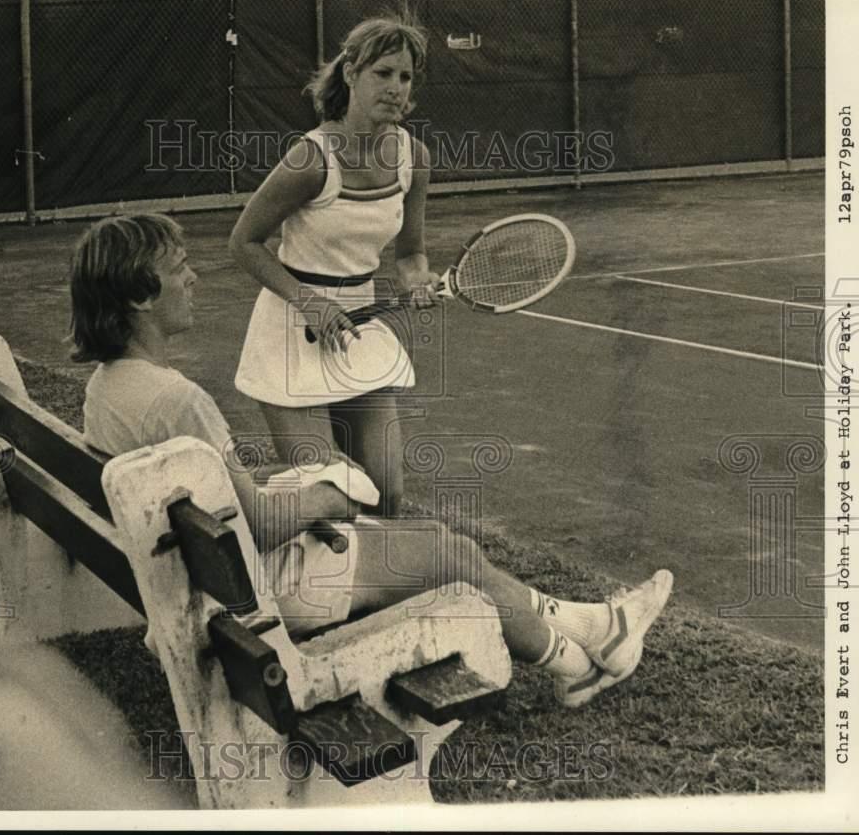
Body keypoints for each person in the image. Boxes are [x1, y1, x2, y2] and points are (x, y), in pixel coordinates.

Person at [69, 213, 674, 709]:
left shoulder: (107, 388)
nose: (194, 278)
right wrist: (330, 498)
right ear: (141, 297)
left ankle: (593, 632)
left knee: (407, 535)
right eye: (179, 271)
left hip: (196, 587)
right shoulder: (179, 401)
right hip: (262, 596)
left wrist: (305, 488)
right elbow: (257, 526)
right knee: (447, 552)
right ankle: (581, 661)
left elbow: (223, 512)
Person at [230, 10, 441, 517]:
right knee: (332, 496)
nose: (395, 88)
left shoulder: (415, 158)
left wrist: (417, 280)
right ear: (351, 73)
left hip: (357, 331)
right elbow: (244, 242)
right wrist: (310, 302)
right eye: (382, 73)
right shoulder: (311, 159)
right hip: (292, 329)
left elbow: (409, 253)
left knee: (386, 496)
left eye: (405, 76)